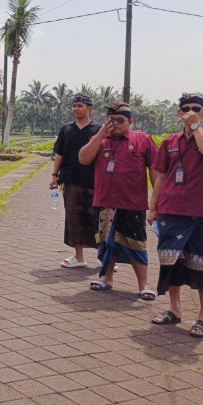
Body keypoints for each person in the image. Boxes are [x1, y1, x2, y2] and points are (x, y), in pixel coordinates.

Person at [149, 93, 203, 338]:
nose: (191, 111)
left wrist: (196, 127)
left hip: (197, 211)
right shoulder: (169, 141)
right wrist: (153, 207)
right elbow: (160, 175)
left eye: (197, 108)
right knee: (170, 261)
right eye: (186, 109)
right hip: (170, 209)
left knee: (200, 261)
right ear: (179, 113)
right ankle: (174, 309)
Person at [78, 102, 157, 299]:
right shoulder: (99, 140)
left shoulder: (143, 140)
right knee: (107, 242)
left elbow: (155, 170)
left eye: (120, 121)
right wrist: (99, 136)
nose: (115, 124)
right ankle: (106, 277)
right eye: (111, 120)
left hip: (133, 203)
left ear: (130, 121)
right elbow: (83, 159)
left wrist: (157, 202)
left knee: (137, 243)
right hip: (104, 201)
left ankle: (144, 284)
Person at [52, 94, 102, 268]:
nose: (76, 109)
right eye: (74, 106)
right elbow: (59, 154)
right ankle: (79, 256)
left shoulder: (99, 130)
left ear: (90, 108)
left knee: (98, 218)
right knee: (73, 218)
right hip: (71, 179)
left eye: (80, 105)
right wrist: (54, 176)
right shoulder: (66, 129)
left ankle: (104, 258)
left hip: (94, 181)